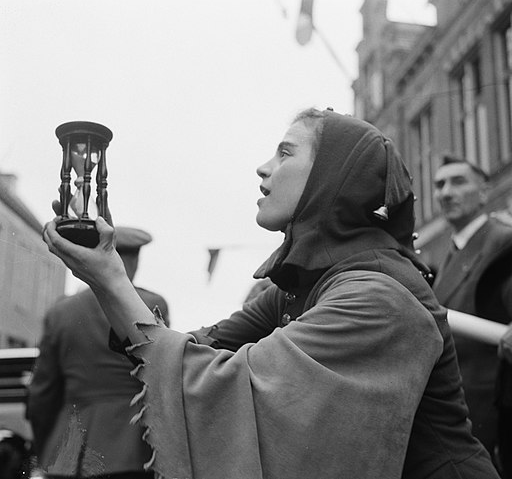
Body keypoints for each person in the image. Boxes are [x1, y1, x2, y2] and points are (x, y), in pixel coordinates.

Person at [42, 108, 500, 479]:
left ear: (331, 177)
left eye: (285, 153)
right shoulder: (302, 285)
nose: (263, 167)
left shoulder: (377, 297)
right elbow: (188, 350)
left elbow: (213, 379)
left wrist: (110, 279)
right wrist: (105, 276)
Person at [27, 226, 169, 479]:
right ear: (134, 261)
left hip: (68, 449)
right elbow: (160, 377)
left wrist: (46, 445)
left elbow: (42, 393)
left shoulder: (61, 312)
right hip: (134, 449)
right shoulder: (152, 304)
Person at [432, 153, 512, 477]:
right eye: (439, 184)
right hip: (459, 409)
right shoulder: (445, 256)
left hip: (492, 410)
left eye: (458, 181)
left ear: (484, 191)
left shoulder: (503, 240)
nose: (446, 192)